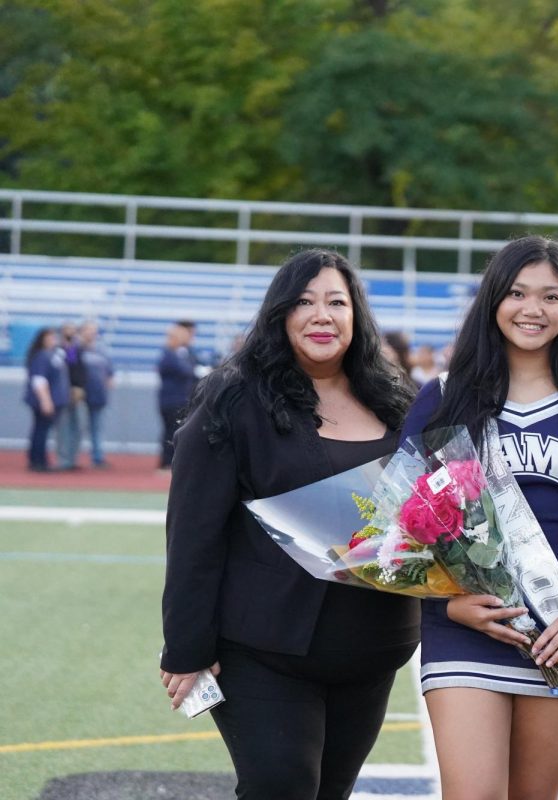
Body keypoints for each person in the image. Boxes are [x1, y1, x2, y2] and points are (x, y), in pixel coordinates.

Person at [159, 249, 420, 800]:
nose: (321, 315)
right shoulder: (233, 399)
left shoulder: (396, 399)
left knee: (329, 792)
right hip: (262, 648)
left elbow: (428, 519)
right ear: (279, 314)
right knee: (282, 786)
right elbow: (193, 531)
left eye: (336, 302)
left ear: (357, 316)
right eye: (303, 302)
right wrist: (185, 646)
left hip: (371, 649)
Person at [399, 235, 558, 800]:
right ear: (493, 300)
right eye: (516, 293)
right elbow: (399, 522)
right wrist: (449, 604)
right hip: (463, 630)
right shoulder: (444, 397)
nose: (532, 309)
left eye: (551, 296)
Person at [23, 327, 70, 472]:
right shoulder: (42, 356)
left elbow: (71, 356)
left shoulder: (54, 354)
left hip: (54, 398)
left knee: (42, 429)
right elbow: (39, 380)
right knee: (41, 430)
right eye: (49, 338)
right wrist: (45, 400)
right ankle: (39, 460)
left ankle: (37, 458)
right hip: (45, 400)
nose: (53, 340)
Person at [156, 319, 200, 469]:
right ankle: (166, 462)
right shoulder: (168, 355)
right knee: (170, 431)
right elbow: (186, 371)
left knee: (177, 430)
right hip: (171, 400)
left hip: (180, 399)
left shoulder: (182, 354)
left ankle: (173, 461)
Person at [78, 320, 115, 468]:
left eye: (94, 331)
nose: (91, 334)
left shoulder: (102, 350)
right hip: (80, 395)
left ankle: (97, 457)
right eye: (88, 330)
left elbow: (109, 372)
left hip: (98, 395)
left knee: (97, 427)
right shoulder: (76, 349)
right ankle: (70, 458)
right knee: (77, 427)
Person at [55, 320, 84, 470]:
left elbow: (79, 370)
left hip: (76, 393)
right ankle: (63, 459)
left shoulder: (78, 350)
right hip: (62, 393)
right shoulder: (57, 350)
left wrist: (80, 388)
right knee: (63, 427)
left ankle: (72, 458)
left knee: (78, 427)